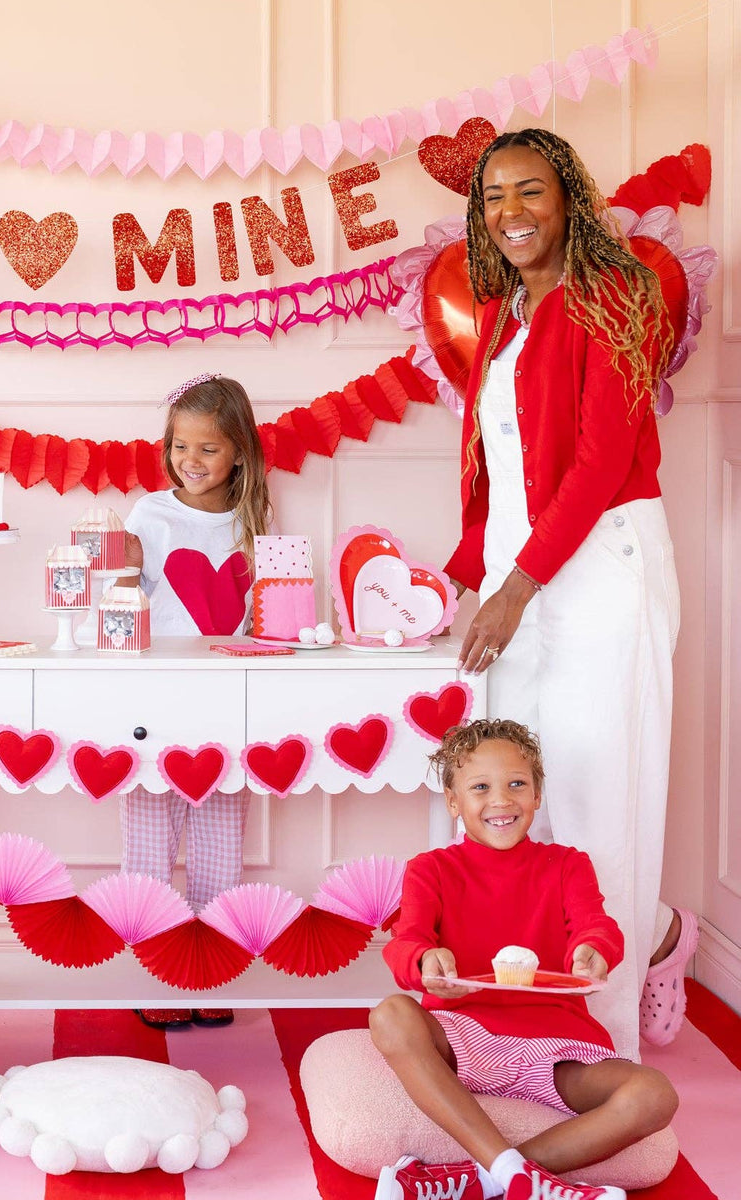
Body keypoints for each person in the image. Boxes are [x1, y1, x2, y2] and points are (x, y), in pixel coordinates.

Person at [445, 128, 696, 1059]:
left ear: (569, 199)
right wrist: (456, 580)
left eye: (531, 191)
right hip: (524, 570)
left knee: (599, 802)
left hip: (602, 572)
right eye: (494, 196)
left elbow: (598, 463)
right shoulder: (505, 311)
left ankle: (606, 1049)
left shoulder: (614, 292)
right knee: (522, 801)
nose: (511, 212)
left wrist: (514, 591)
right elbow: (498, 472)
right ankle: (528, 1026)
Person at [372, 720, 678, 1200]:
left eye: (517, 784)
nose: (501, 800)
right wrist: (425, 960)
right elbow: (404, 943)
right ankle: (511, 1171)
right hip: (462, 1035)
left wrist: (594, 950)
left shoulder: (567, 864)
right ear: (454, 803)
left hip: (557, 1050)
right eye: (480, 787)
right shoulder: (430, 869)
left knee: (656, 1095)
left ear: (537, 796)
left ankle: (487, 1177)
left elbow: (598, 927)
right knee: (389, 1014)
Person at [118, 373, 272, 1030]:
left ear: (239, 452)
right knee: (150, 846)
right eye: (181, 446)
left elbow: (262, 612)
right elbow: (123, 602)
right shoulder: (149, 516)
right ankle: (157, 970)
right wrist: (116, 569)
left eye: (208, 449)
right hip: (153, 700)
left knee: (217, 847)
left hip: (225, 702)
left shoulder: (253, 522)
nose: (192, 461)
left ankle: (210, 972)